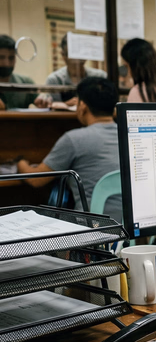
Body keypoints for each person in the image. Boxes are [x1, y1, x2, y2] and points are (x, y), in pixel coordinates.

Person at [16, 77, 122, 220]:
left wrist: (19, 162)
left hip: (92, 230)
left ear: (82, 106)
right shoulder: (126, 134)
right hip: (127, 230)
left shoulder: (74, 139)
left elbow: (36, 180)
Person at [34, 33, 107, 107]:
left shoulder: (100, 77)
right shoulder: (55, 80)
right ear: (63, 55)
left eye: (82, 52)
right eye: (73, 52)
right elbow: (53, 109)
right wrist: (66, 105)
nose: (78, 58)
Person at [0, 34, 36, 110]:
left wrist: (43, 100)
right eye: (1, 57)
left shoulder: (26, 82)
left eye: (11, 58)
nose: (6, 63)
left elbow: (42, 100)